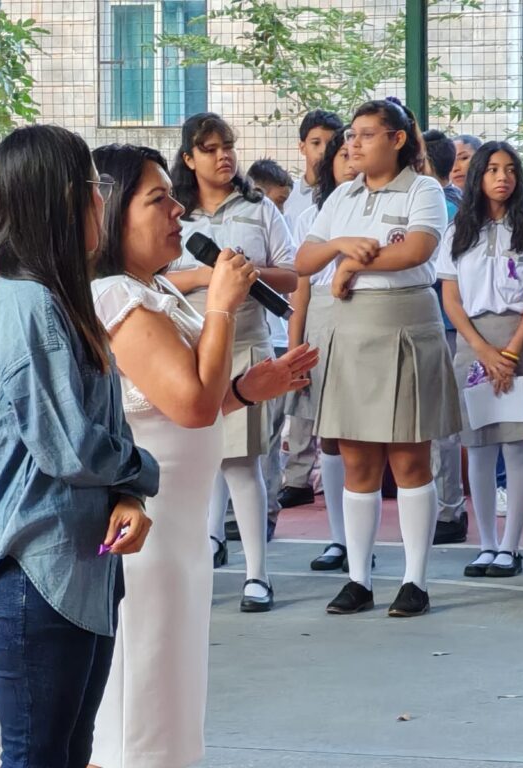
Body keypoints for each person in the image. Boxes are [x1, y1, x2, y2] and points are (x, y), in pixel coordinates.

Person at [88, 143, 317, 768]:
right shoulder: (116, 296)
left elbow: (190, 397)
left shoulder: (154, 287)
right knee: (145, 675)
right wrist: (219, 306)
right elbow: (189, 404)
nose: (177, 212)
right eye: (158, 199)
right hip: (146, 526)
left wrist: (247, 388)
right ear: (109, 212)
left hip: (181, 523)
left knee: (174, 675)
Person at [0, 124, 158, 768]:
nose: (99, 201)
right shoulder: (28, 307)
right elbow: (71, 448)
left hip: (78, 564)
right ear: (62, 200)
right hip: (35, 572)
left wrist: (127, 492)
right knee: (39, 756)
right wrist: (145, 471)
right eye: (91, 188)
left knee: (70, 752)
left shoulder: (58, 299)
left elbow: (103, 421)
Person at [297, 98, 459, 616]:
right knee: (356, 459)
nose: (354, 143)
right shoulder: (342, 194)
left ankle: (415, 580)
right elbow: (304, 259)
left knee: (410, 457)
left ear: (397, 139)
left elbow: (417, 250)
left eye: (367, 134)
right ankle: (359, 579)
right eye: (352, 134)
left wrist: (348, 270)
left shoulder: (423, 188)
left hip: (402, 325)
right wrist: (342, 248)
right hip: (346, 331)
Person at [166, 112, 298, 612]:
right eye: (210, 148)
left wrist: (247, 274)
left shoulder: (259, 207)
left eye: (228, 146)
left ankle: (257, 575)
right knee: (198, 460)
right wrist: (205, 279)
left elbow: (290, 276)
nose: (224, 156)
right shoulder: (175, 213)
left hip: (245, 345)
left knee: (241, 463)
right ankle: (205, 552)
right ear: (188, 158)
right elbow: (156, 280)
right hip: (187, 346)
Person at [438, 141, 523, 577]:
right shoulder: (457, 232)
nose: (502, 177)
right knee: (480, 447)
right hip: (473, 342)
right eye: (492, 170)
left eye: (509, 170)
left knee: (516, 444)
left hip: (517, 340)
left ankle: (510, 546)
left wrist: (509, 352)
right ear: (477, 177)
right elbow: (450, 298)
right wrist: (484, 352)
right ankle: (486, 543)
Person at [286, 128, 359, 570]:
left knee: (365, 435)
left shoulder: (382, 206)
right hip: (321, 321)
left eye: (358, 152)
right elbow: (300, 291)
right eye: (343, 154)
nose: (352, 161)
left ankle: (366, 532)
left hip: (364, 315)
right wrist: (295, 350)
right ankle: (339, 537)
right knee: (328, 434)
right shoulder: (309, 216)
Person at [422, 128, 467, 544]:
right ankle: (444, 505)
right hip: (439, 323)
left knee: (442, 425)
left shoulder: (445, 207)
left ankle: (449, 509)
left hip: (447, 325)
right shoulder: (453, 204)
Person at [247, 155, 296, 538]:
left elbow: (291, 278)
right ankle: (226, 519)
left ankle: (266, 511)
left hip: (274, 340)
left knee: (268, 434)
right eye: (276, 199)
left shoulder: (275, 224)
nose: (280, 208)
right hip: (240, 338)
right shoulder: (246, 217)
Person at [283, 109, 344, 228]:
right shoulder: (286, 196)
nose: (324, 151)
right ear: (302, 147)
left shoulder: (344, 194)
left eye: (331, 144)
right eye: (316, 143)